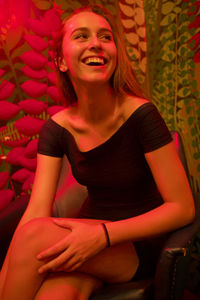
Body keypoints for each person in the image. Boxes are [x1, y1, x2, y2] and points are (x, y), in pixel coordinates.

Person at [0, 5, 195, 300]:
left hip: (135, 242)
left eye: (106, 37)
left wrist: (102, 237)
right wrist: (5, 273)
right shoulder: (57, 128)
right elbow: (37, 211)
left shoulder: (141, 114)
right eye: (82, 36)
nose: (96, 43)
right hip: (84, 237)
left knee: (35, 234)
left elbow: (183, 207)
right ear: (61, 61)